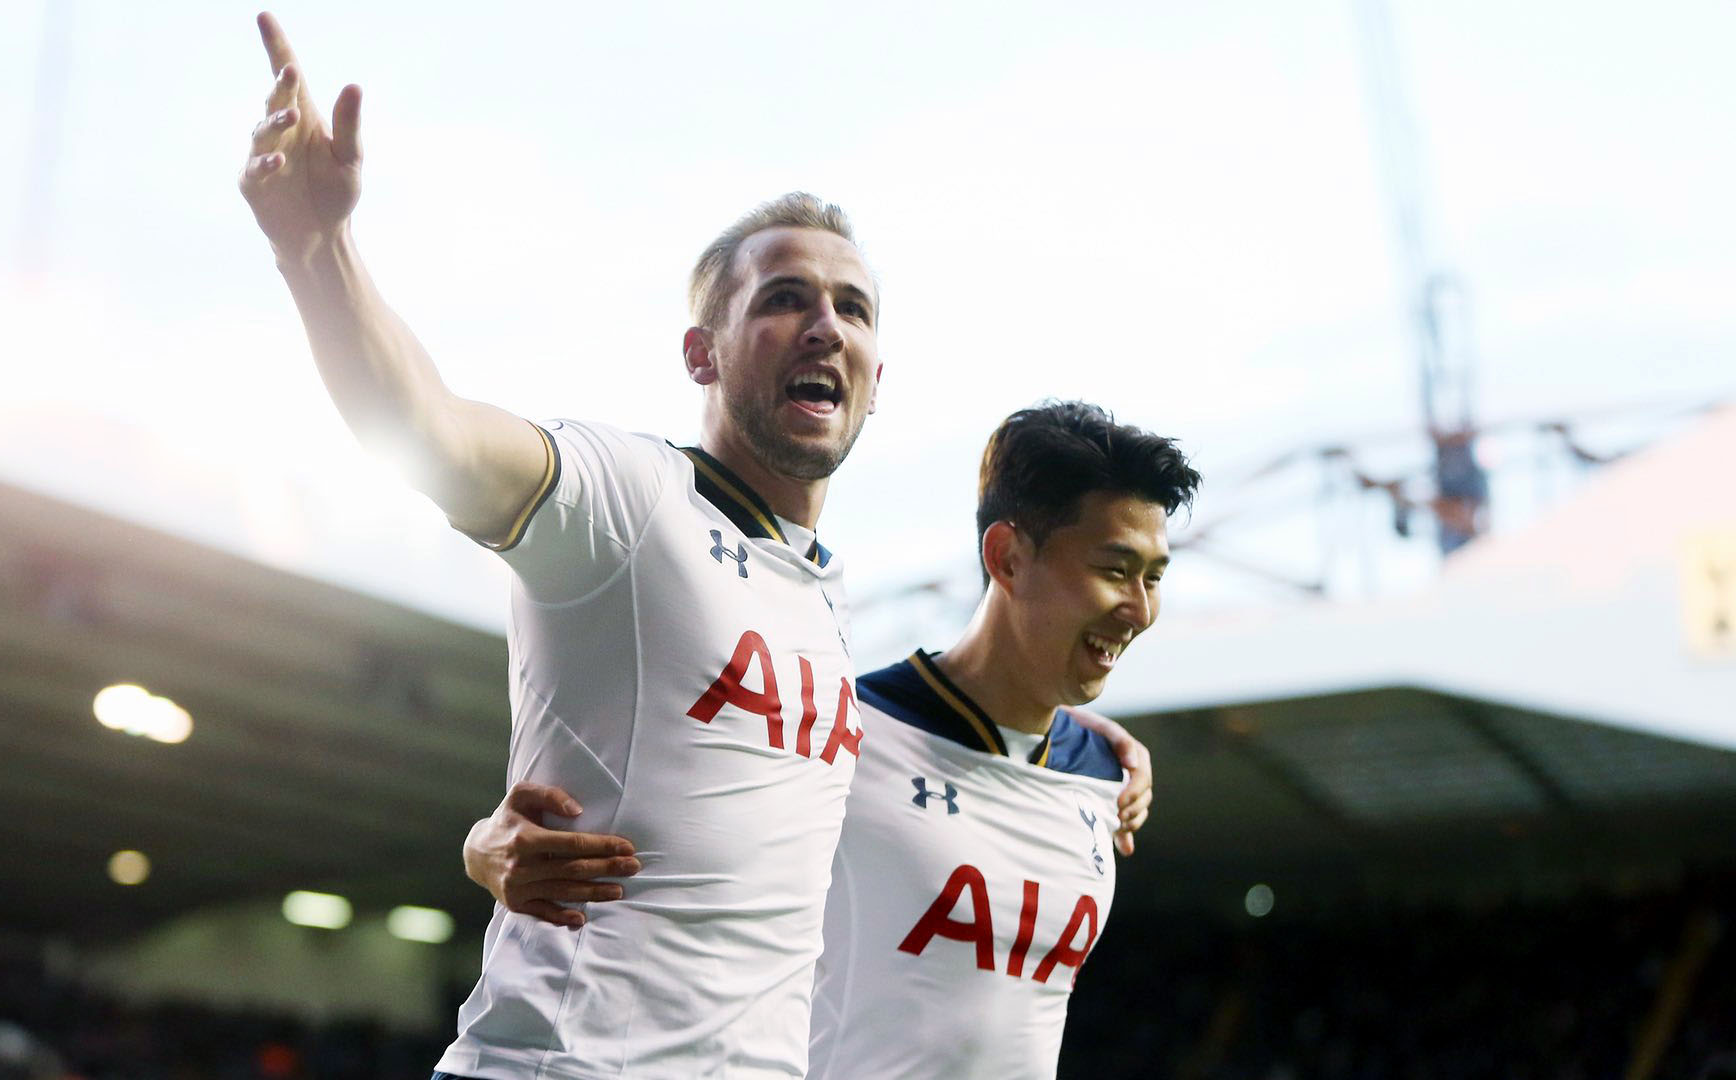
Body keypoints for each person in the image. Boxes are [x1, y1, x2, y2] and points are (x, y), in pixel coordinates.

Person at [237, 14, 885, 1079]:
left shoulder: (825, 596)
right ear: (702, 353)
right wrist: (316, 250)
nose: (826, 327)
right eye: (784, 300)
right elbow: (433, 431)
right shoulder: (630, 498)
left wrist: (1091, 751)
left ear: (876, 378)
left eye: (852, 309)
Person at [467, 401, 1198, 1078]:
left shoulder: (1106, 774)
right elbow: (665, 838)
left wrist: (1110, 746)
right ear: (1007, 556)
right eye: (1115, 570)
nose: (1139, 608)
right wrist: (481, 846)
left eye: (1155, 577)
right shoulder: (842, 728)